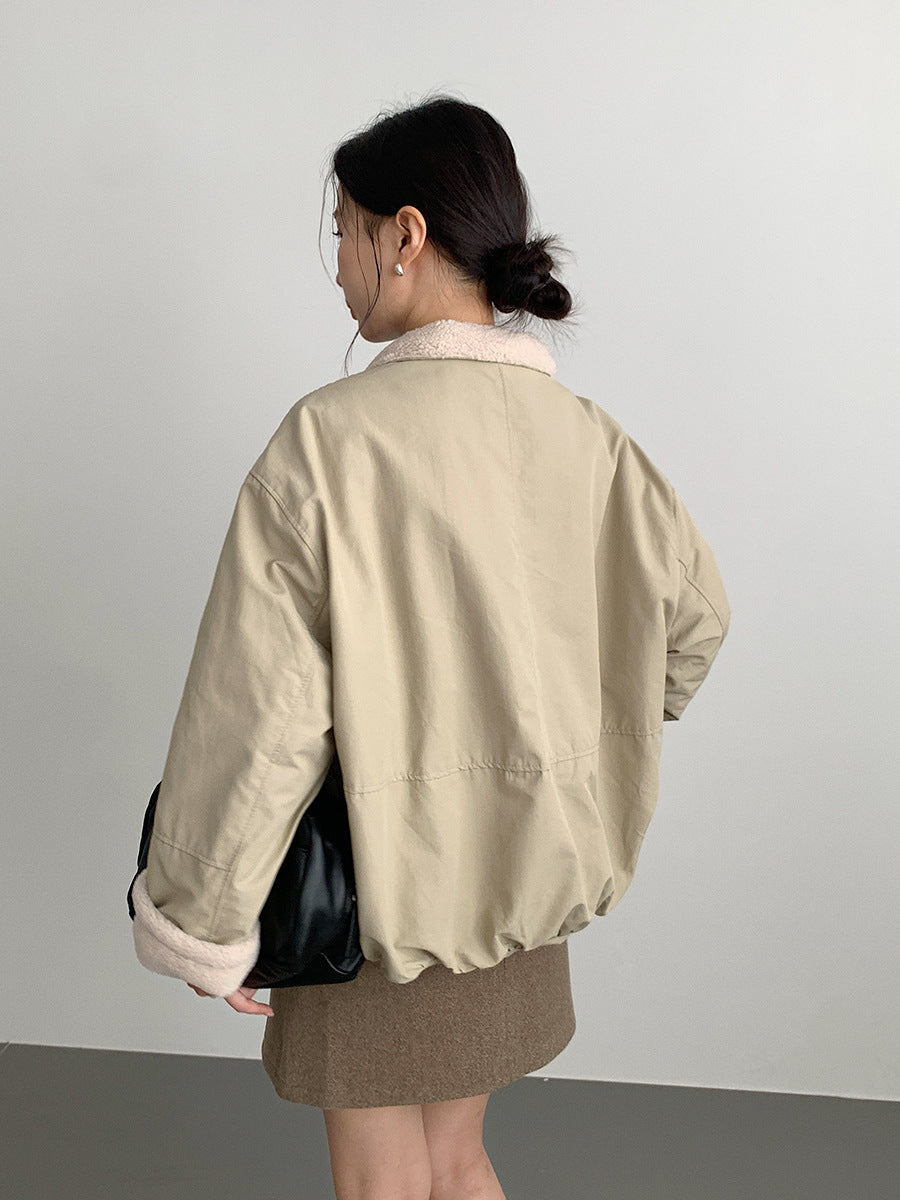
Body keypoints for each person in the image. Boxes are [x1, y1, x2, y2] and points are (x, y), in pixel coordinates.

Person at [130, 92, 731, 1200]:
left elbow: (258, 717)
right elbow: (693, 624)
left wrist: (203, 917)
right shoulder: (590, 440)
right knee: (458, 1164)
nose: (338, 268)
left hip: (375, 903)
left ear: (404, 235)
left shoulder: (330, 444)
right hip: (523, 888)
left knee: (384, 1185)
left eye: (344, 233)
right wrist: (567, 729)